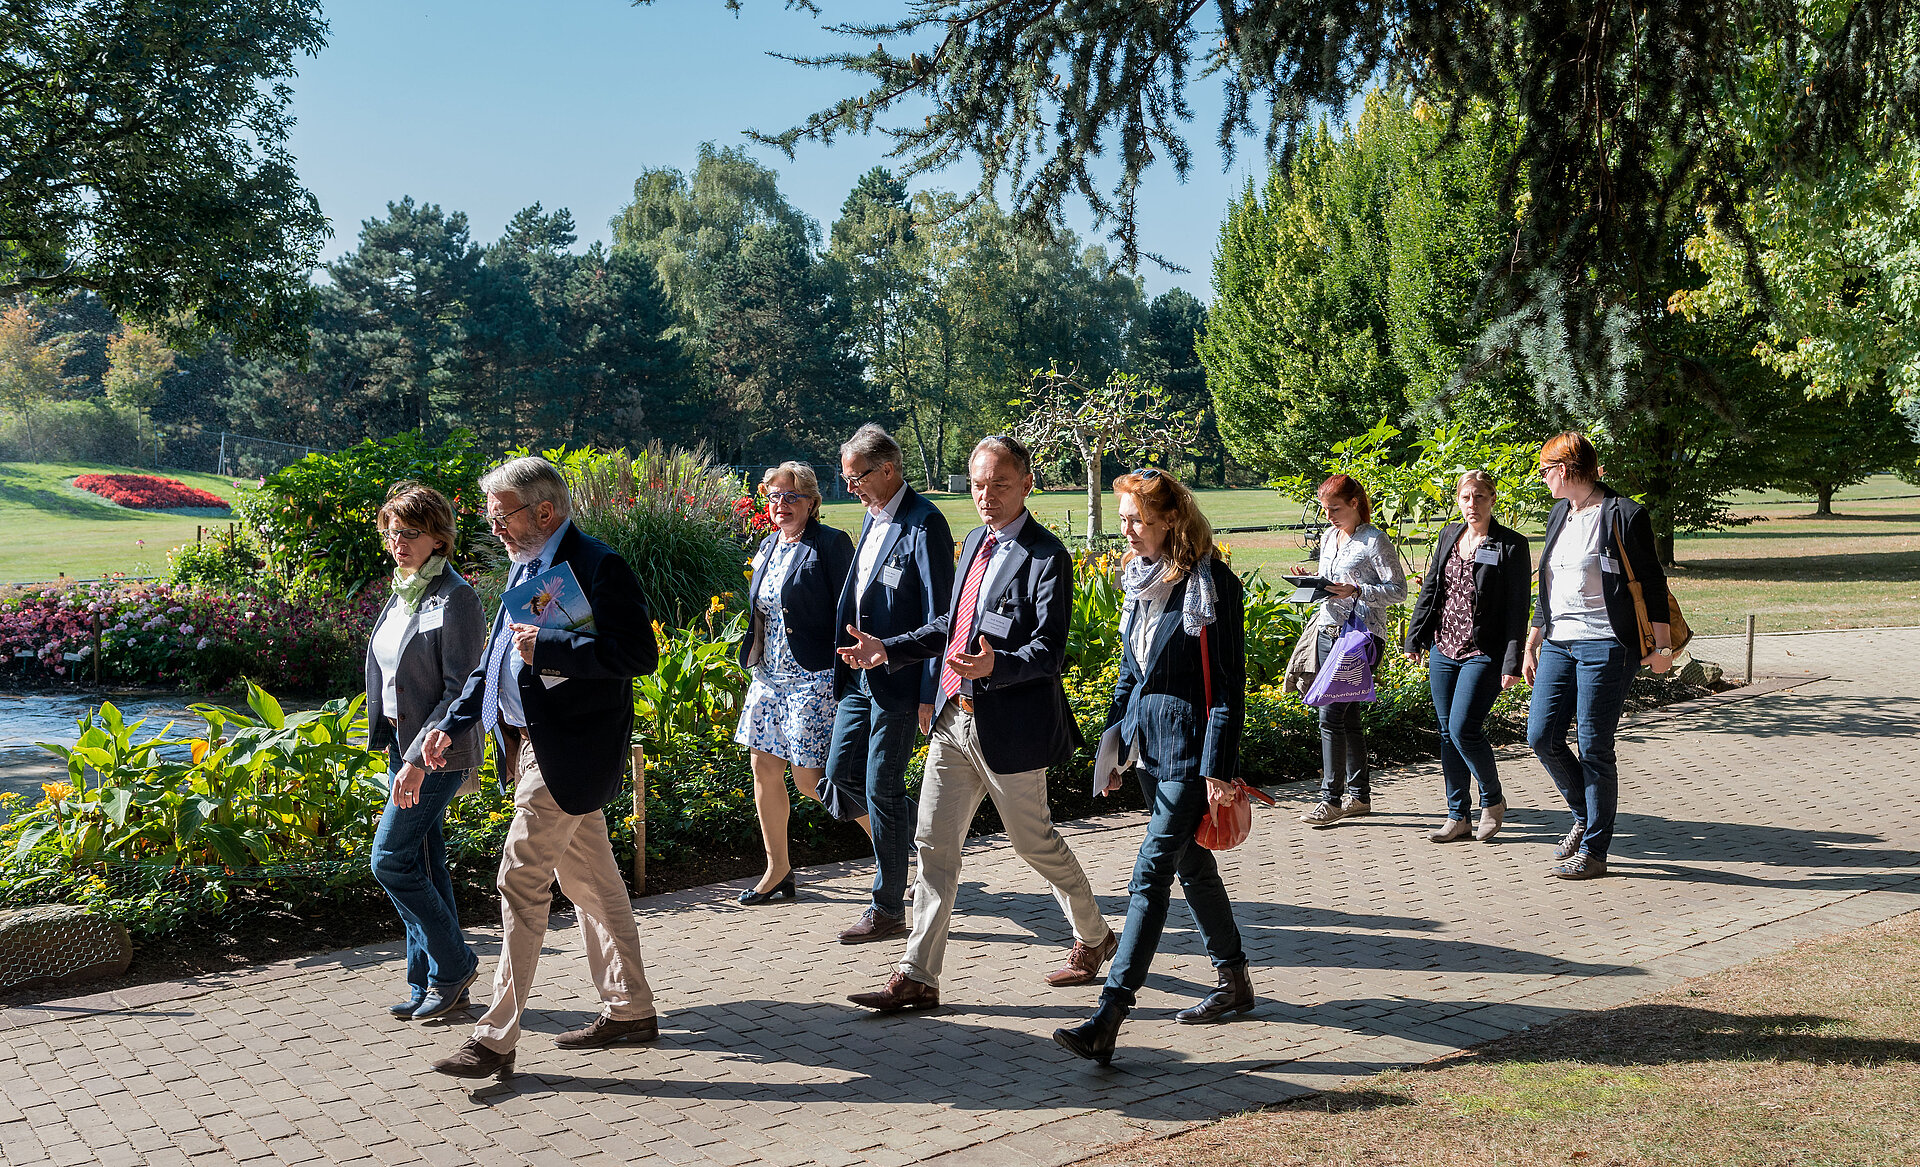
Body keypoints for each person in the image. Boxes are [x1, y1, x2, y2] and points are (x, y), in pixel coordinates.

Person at [840, 435, 1117, 1011]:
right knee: (934, 845)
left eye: (1000, 484)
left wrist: (996, 666)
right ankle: (918, 975)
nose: (986, 496)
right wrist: (886, 649)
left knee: (1032, 842)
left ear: (1027, 485)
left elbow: (1049, 652)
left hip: (1008, 728)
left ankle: (1096, 936)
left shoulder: (1047, 556)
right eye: (978, 484)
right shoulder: (973, 542)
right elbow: (949, 624)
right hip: (951, 722)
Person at [420, 456, 661, 1080]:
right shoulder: (524, 567)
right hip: (530, 746)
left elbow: (639, 654)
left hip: (569, 752)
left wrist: (551, 646)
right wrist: (451, 724)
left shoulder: (599, 564)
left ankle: (495, 1037)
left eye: (500, 515)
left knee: (520, 878)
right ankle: (631, 1010)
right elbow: (492, 660)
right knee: (594, 886)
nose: (491, 526)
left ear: (543, 511)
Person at [1054, 469, 1252, 1066]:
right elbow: (1131, 672)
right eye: (1123, 520)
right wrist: (1111, 745)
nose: (1129, 531)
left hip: (1191, 754)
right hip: (1148, 747)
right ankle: (1235, 980)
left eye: (1138, 520)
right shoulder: (1141, 581)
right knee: (1192, 865)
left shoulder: (1211, 584)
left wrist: (1218, 768)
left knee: (1149, 877)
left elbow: (1226, 689)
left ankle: (1110, 1015)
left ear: (1171, 519)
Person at [824, 425, 954, 943]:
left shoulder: (924, 525)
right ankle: (916, 854)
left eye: (856, 477)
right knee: (839, 775)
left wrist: (928, 691)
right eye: (846, 475)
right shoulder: (872, 516)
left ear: (888, 470)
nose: (849, 485)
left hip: (900, 682)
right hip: (860, 677)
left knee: (881, 785)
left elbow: (942, 617)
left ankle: (888, 906)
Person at [364, 482, 488, 1022]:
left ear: (439, 538)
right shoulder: (406, 587)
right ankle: (429, 983)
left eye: (410, 533)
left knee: (389, 860)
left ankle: (455, 964)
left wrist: (415, 757)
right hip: (400, 741)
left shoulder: (455, 596)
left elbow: (462, 687)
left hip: (438, 750)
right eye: (391, 532)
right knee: (423, 863)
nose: (398, 542)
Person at [1525, 432, 1672, 879]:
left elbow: (1650, 581)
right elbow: (1546, 584)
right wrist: (1533, 641)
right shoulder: (1559, 514)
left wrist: (1662, 646)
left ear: (1565, 470)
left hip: (1607, 643)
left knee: (1593, 744)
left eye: (1546, 471)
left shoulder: (1624, 514)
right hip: (1558, 641)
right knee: (1542, 736)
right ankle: (1585, 814)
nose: (1544, 479)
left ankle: (1594, 850)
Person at [734, 462, 861, 904]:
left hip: (814, 676)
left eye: (792, 497)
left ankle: (900, 851)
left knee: (813, 781)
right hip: (769, 678)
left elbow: (852, 607)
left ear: (812, 502)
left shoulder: (829, 544)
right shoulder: (768, 546)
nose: (782, 505)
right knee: (763, 768)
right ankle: (778, 869)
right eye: (774, 497)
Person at [1403, 471, 1532, 843]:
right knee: (1446, 734)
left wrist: (1512, 661)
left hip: (1483, 652)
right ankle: (1457, 815)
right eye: (1465, 498)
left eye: (1479, 497)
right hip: (1444, 647)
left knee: (1463, 729)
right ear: (1458, 501)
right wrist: (1415, 637)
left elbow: (1516, 609)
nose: (1472, 504)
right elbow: (1432, 589)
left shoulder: (1511, 545)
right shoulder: (1449, 536)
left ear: (1492, 499)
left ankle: (1492, 800)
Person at [1295, 474, 1408, 827]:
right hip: (1329, 632)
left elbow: (1399, 590)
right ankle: (1358, 797)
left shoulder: (1375, 540)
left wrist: (1357, 590)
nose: (1328, 516)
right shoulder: (1330, 536)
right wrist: (1311, 579)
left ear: (1355, 504)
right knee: (1348, 718)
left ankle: (1330, 799)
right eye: (1324, 509)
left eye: (1335, 509)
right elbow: (1332, 580)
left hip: (1360, 637)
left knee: (1329, 715)